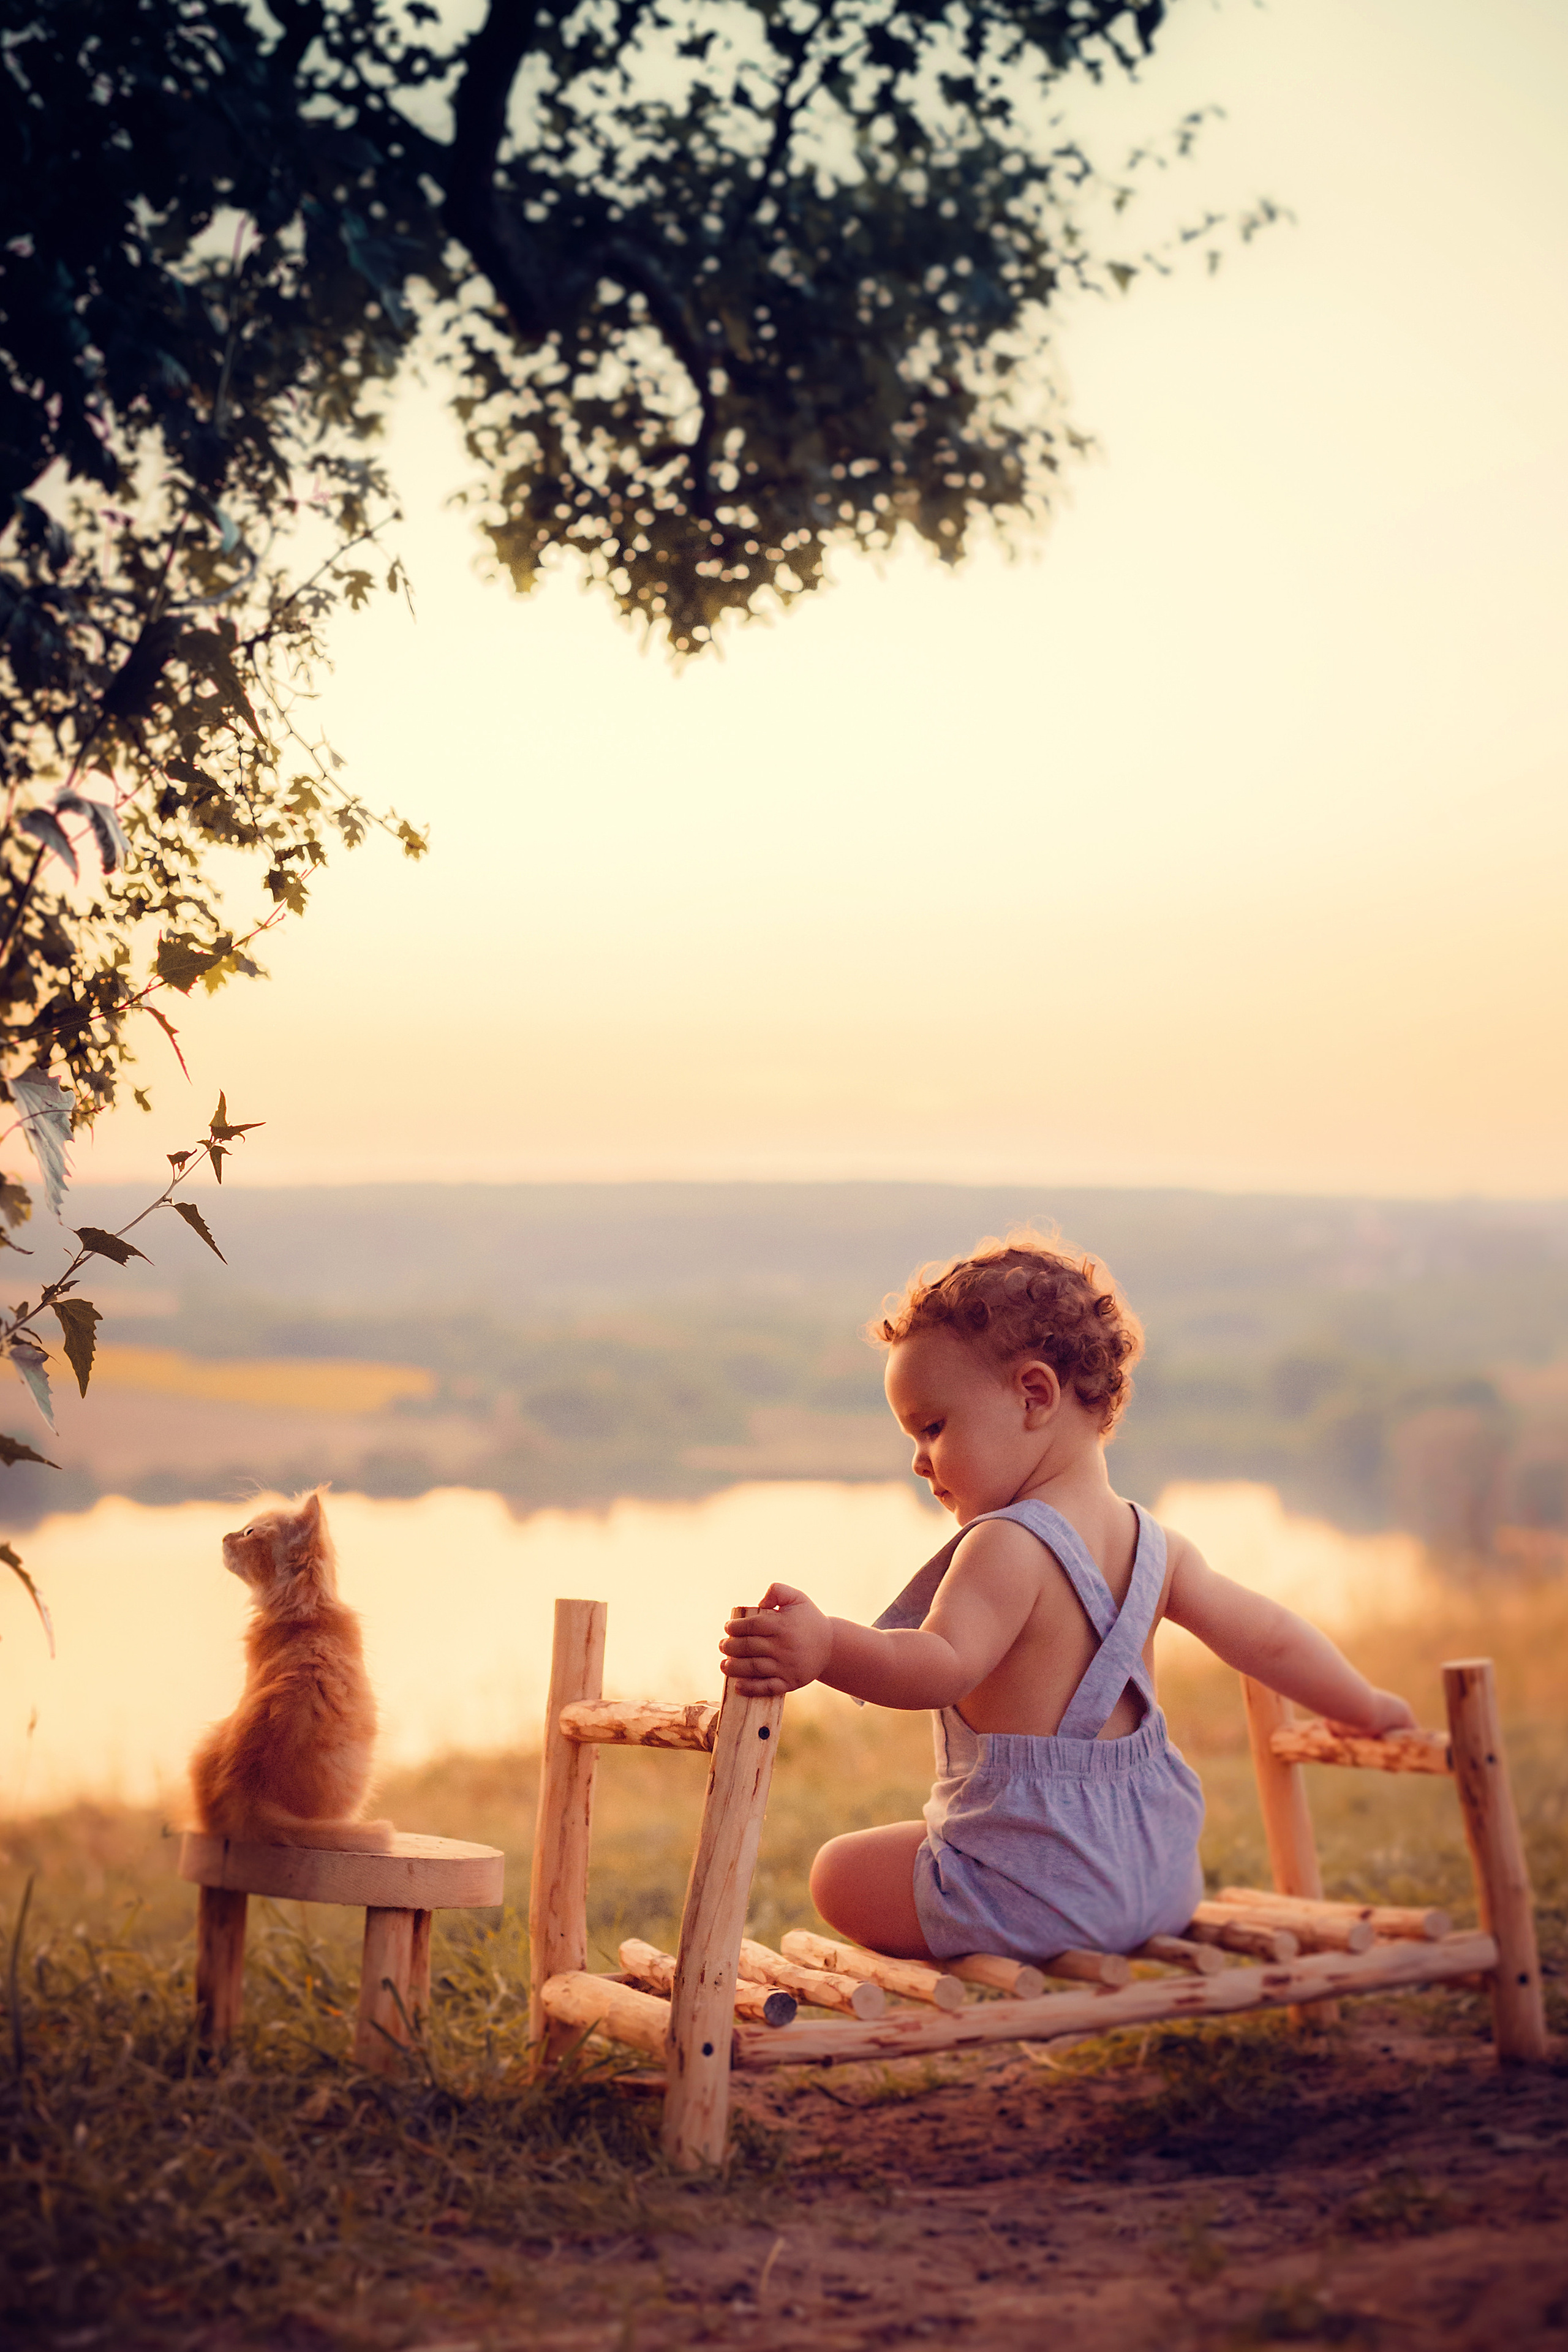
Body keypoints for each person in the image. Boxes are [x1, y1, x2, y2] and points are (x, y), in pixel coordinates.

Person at [718, 1234, 1416, 1965]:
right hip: (1158, 1882)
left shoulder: (1007, 1545)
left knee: (838, 1873)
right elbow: (1269, 1637)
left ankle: (990, 1921)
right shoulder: (1158, 1544)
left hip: (1039, 1895)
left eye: (933, 1427)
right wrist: (1362, 1706)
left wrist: (828, 1645)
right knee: (909, 1845)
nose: (919, 1460)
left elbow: (939, 1663)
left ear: (1034, 1394)